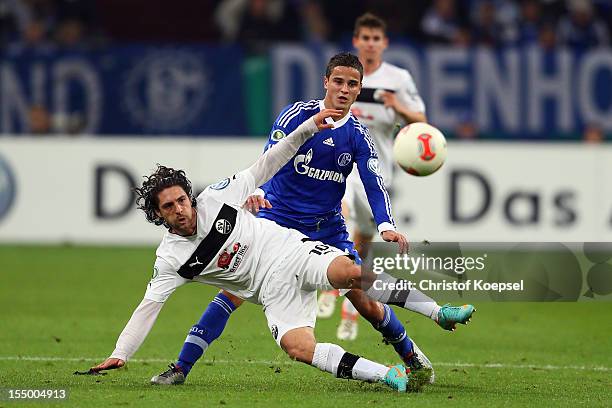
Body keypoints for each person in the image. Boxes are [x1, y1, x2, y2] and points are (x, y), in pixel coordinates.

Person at [148, 53, 474, 386]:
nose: (344, 90)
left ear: (359, 89)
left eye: (352, 84)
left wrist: (386, 226)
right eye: (338, 82)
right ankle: (181, 367)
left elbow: (374, 182)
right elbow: (269, 159)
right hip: (278, 222)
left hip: (328, 229)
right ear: (326, 82)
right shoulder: (297, 116)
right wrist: (256, 191)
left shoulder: (359, 137)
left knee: (368, 305)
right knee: (230, 294)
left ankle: (414, 358)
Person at [90, 104, 418, 393]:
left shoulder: (217, 198)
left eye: (181, 200)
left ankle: (430, 312)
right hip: (270, 290)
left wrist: (307, 128)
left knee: (351, 273)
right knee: (299, 348)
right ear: (158, 215)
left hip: (290, 252)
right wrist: (121, 353)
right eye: (168, 207)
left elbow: (268, 162)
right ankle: (387, 375)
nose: (179, 209)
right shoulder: (171, 259)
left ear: (190, 198)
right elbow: (148, 307)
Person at [317, 12, 428, 341]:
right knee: (341, 211)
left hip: (377, 170)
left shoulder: (397, 78)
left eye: (375, 38)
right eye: (364, 38)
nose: (370, 43)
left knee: (362, 244)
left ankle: (349, 309)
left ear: (384, 43)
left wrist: (398, 106)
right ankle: (328, 285)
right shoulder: (344, 75)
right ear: (356, 41)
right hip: (342, 162)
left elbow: (421, 119)